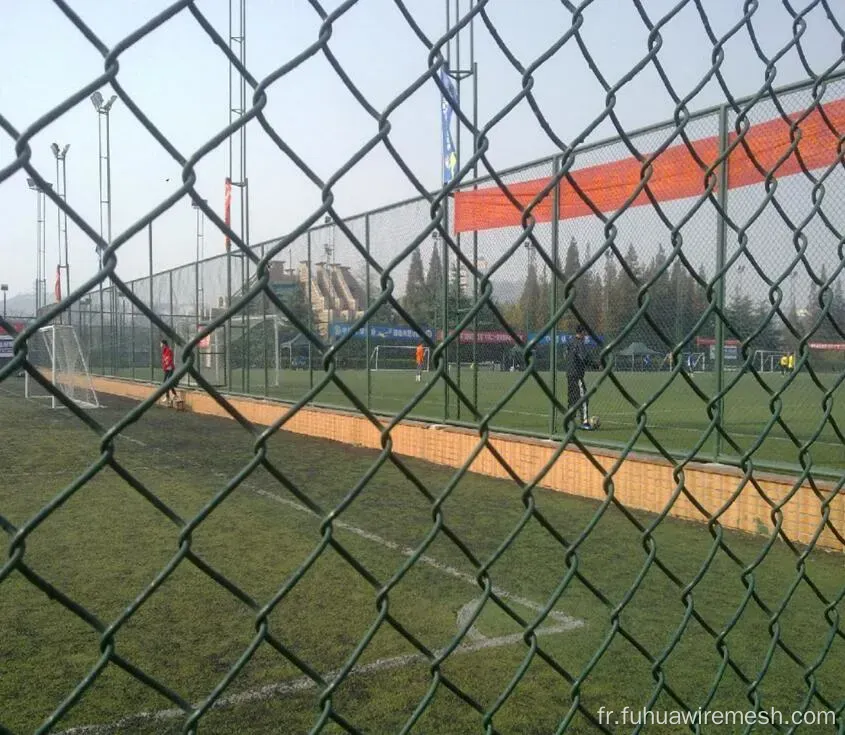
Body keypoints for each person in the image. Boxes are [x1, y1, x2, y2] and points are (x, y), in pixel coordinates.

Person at [567, 324, 592, 430]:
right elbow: (584, 358)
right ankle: (585, 422)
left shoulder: (571, 342)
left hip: (569, 374)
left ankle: (570, 421)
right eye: (584, 333)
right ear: (581, 333)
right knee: (583, 397)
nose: (585, 335)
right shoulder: (579, 343)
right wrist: (596, 364)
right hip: (577, 375)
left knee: (572, 398)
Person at [160, 338, 178, 405]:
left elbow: (169, 359)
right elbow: (164, 359)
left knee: (168, 382)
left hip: (170, 368)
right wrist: (164, 365)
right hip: (166, 369)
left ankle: (172, 396)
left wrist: (167, 364)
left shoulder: (169, 350)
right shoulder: (164, 351)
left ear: (164, 344)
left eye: (161, 343)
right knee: (165, 383)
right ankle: (171, 396)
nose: (160, 344)